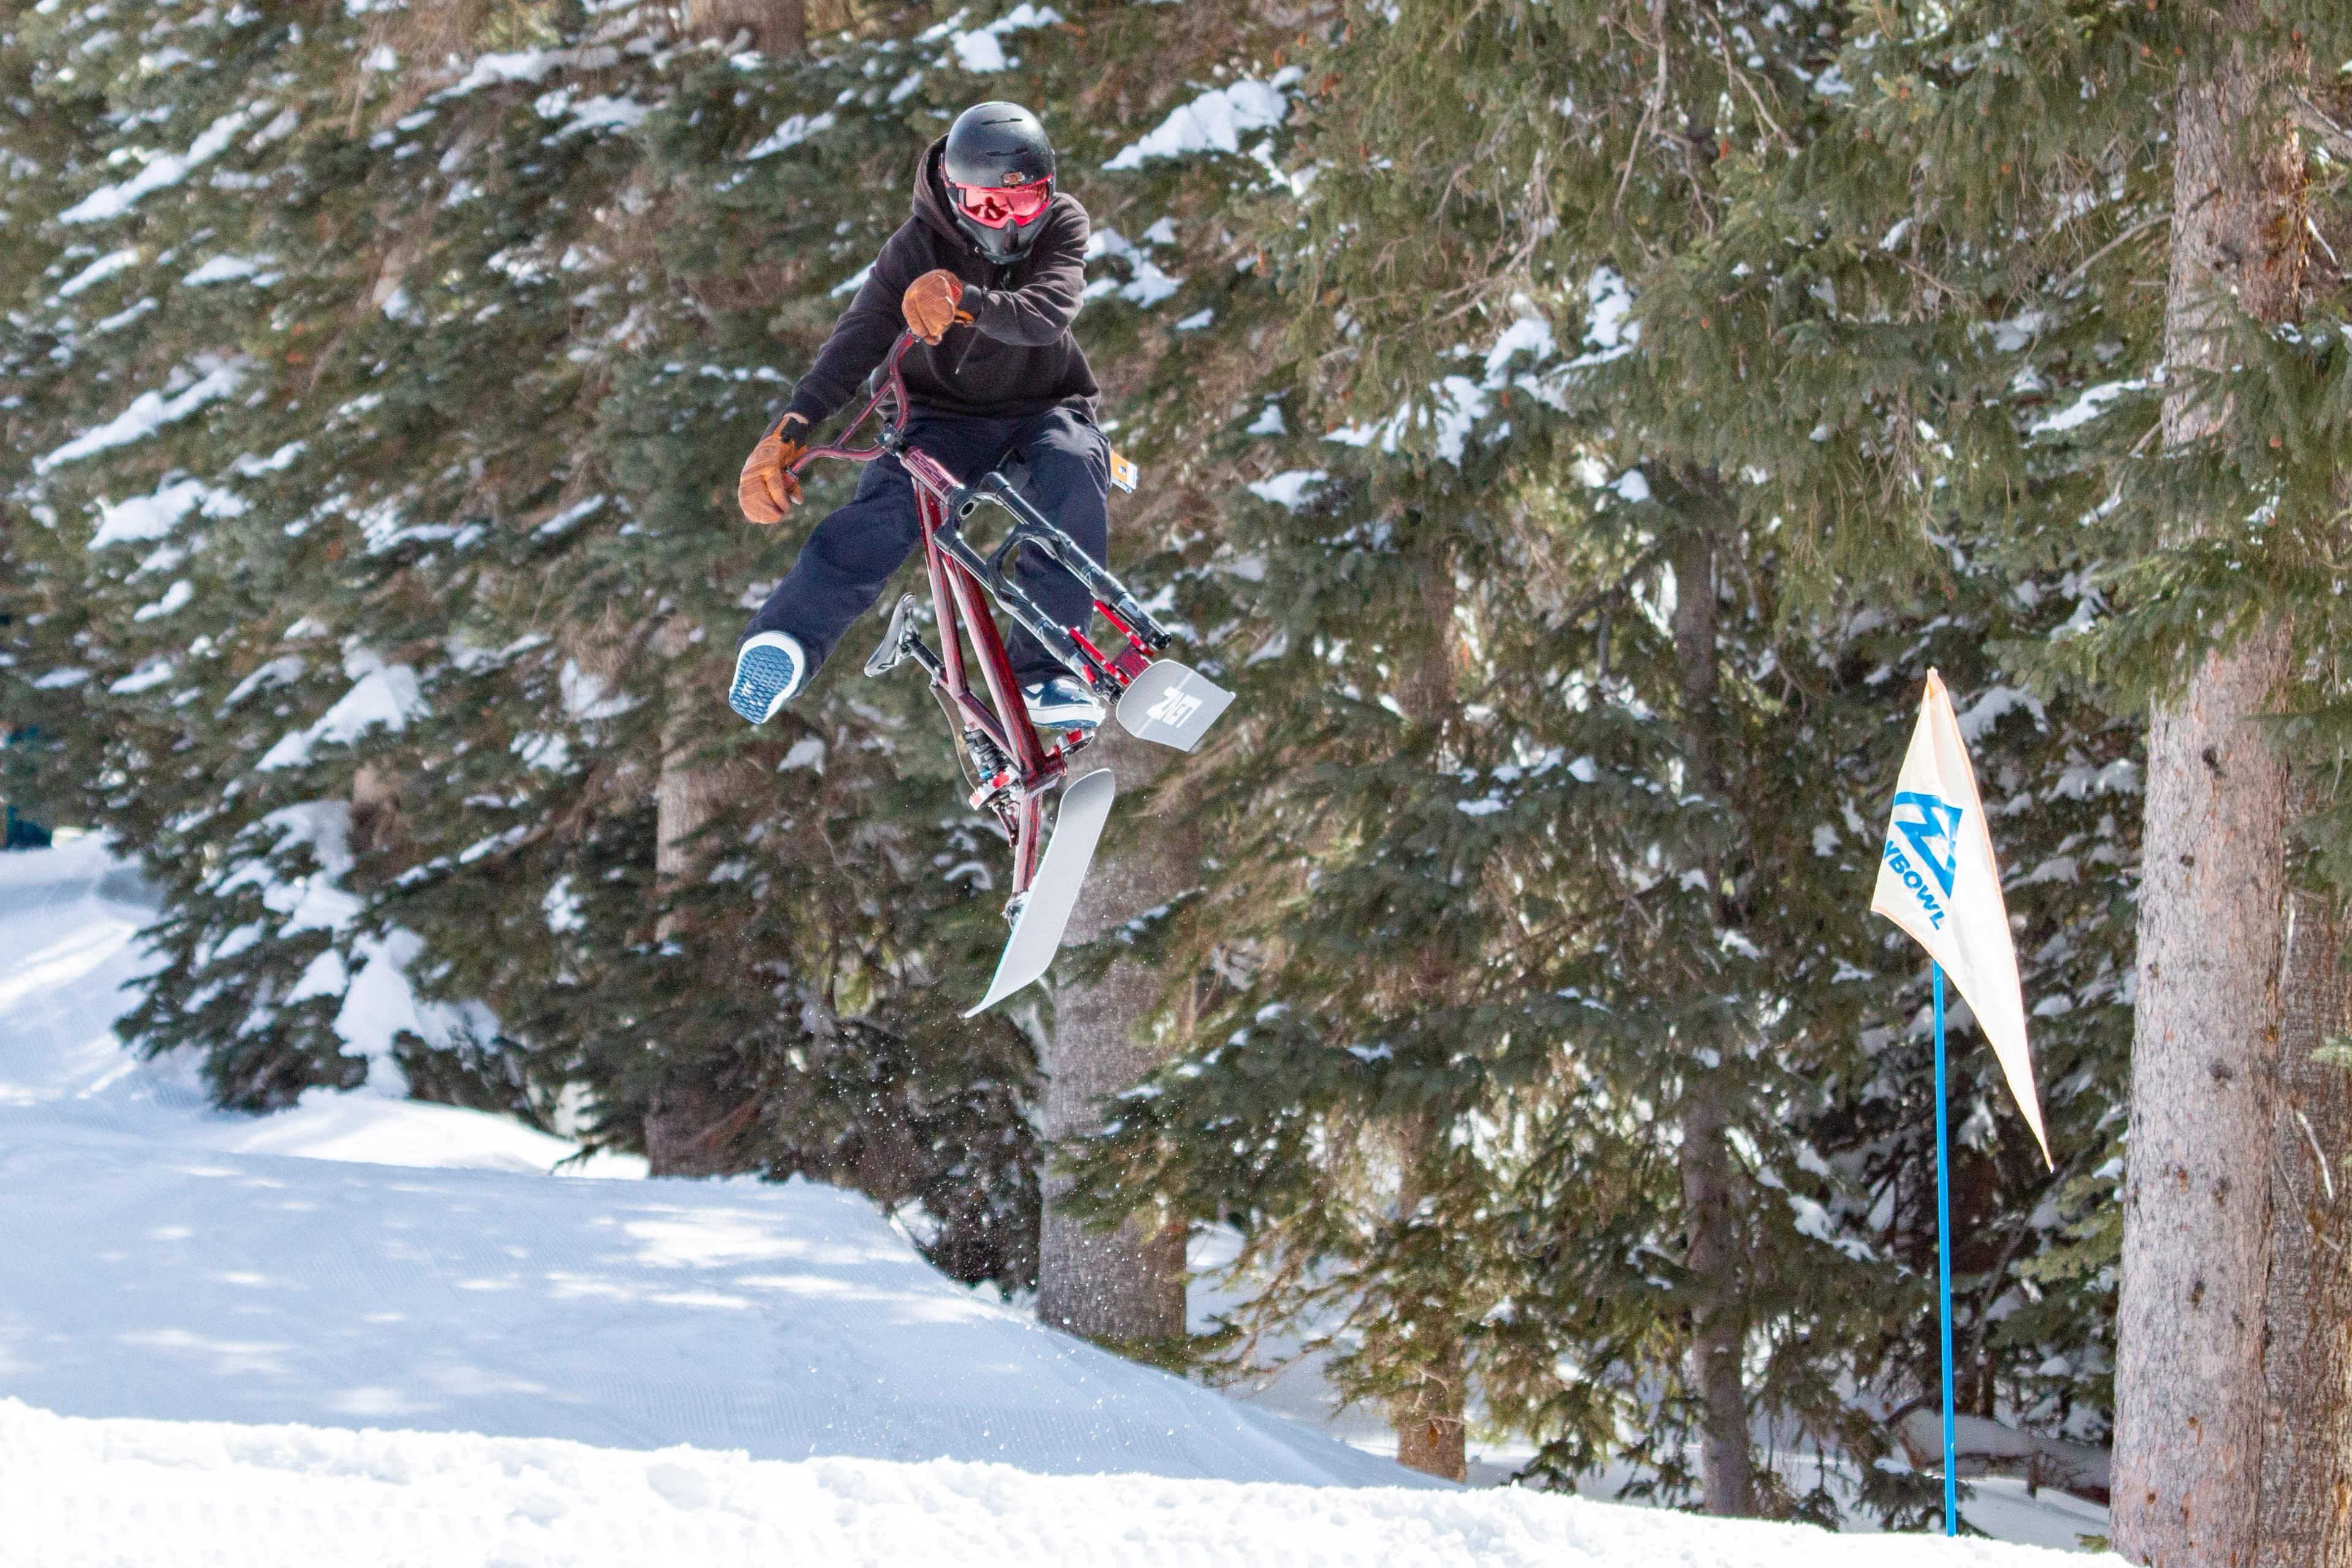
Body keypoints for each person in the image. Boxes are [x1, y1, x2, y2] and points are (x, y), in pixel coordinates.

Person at [729, 101, 1112, 732]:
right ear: (957, 196)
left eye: (1025, 203)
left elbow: (1049, 310)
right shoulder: (917, 246)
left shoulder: (1062, 224)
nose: (1011, 224)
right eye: (991, 207)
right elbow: (857, 340)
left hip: (1046, 406)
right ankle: (786, 641)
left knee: (1074, 473)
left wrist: (967, 300)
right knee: (890, 505)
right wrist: (793, 426)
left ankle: (1047, 667)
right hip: (942, 415)